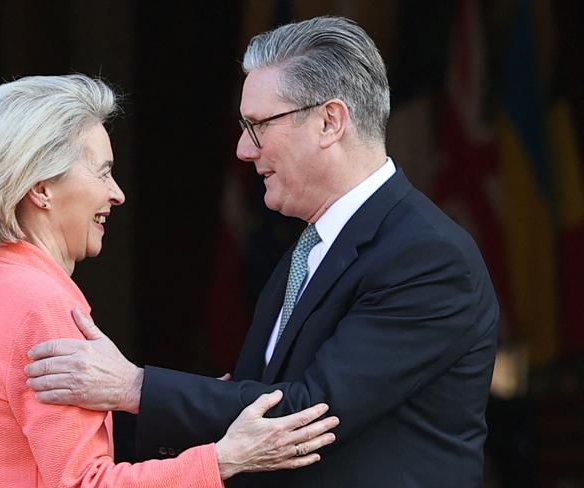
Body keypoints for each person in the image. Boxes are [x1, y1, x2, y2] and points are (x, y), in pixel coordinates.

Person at [26, 16, 499, 487]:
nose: (242, 150)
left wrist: (132, 387)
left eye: (258, 126)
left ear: (330, 122)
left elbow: (306, 415)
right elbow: (249, 413)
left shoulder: (427, 257)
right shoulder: (307, 251)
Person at [0, 74, 339, 487]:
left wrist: (188, 410)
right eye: (102, 172)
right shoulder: (38, 303)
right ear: (41, 189)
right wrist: (223, 460)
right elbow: (86, 483)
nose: (117, 193)